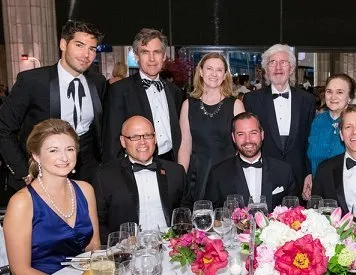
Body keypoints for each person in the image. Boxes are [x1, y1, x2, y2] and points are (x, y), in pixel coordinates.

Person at [0, 20, 107, 191]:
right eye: (79, 45)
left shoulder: (98, 82)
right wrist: (23, 171)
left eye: (92, 49)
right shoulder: (32, 81)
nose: (86, 54)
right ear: (63, 44)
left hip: (88, 174)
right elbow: (3, 127)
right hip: (41, 174)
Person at [3, 119, 100, 275]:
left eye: (70, 149)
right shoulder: (22, 202)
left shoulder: (86, 190)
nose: (64, 158)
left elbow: (93, 247)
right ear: (36, 156)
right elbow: (20, 273)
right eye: (53, 150)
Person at [92, 116, 185, 243]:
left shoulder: (176, 171)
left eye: (147, 135)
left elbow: (185, 212)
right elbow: (98, 223)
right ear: (123, 141)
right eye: (134, 137)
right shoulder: (105, 176)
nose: (142, 142)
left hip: (171, 247)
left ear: (155, 138)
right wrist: (120, 243)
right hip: (128, 251)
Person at [243, 44, 316, 196]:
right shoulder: (251, 100)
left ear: (291, 68)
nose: (278, 67)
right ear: (266, 70)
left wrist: (309, 172)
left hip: (298, 174)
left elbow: (310, 140)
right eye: (272, 63)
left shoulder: (307, 100)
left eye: (283, 62)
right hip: (264, 172)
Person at [103, 28, 184, 162]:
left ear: (164, 56)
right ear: (136, 56)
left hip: (170, 163)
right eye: (145, 52)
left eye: (156, 52)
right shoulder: (119, 90)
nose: (152, 59)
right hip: (134, 164)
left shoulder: (175, 91)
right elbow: (111, 141)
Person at [177, 53, 244, 203]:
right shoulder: (188, 105)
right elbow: (185, 146)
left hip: (227, 174)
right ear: (200, 72)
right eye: (209, 68)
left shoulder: (236, 105)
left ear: (225, 75)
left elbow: (242, 146)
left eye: (219, 70)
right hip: (197, 176)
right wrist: (180, 179)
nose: (214, 74)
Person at [304, 74, 356, 198]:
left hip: (352, 195)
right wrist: (309, 176)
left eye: (339, 92)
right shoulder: (318, 121)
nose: (333, 97)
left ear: (350, 97)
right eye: (329, 91)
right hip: (320, 192)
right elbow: (309, 155)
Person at [204, 112, 297, 210]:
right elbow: (211, 214)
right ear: (233, 138)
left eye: (253, 133)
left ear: (262, 135)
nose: (247, 140)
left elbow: (294, 214)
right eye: (241, 134)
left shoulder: (284, 170)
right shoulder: (218, 173)